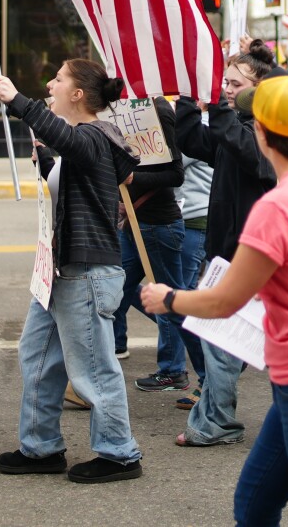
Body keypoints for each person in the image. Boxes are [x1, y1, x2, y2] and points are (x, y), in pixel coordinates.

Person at [142, 72, 288, 527]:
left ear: (262, 131)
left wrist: (168, 298)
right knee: (253, 506)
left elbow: (223, 303)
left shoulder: (275, 206)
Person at [0, 60, 143, 484]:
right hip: (59, 272)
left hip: (87, 272)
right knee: (37, 356)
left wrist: (17, 100)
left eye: (58, 79)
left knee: (93, 367)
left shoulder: (94, 135)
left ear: (78, 94)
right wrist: (44, 160)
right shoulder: (77, 143)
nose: (50, 84)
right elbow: (69, 185)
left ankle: (119, 453)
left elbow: (68, 140)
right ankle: (40, 447)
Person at [173, 42, 278, 446]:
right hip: (226, 253)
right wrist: (187, 96)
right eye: (224, 83)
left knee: (222, 340)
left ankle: (216, 421)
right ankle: (215, 418)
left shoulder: (267, 132)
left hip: (252, 256)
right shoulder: (232, 127)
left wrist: (216, 105)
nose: (228, 89)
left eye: (235, 84)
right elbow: (192, 139)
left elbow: (244, 148)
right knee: (222, 341)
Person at [112, 97, 191, 393]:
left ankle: (175, 369)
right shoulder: (121, 110)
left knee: (168, 299)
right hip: (134, 225)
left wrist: (133, 179)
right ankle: (179, 336)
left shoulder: (156, 109)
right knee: (118, 288)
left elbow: (175, 173)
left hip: (158, 226)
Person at [174, 148, 213, 409]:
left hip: (195, 221)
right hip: (181, 220)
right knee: (174, 305)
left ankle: (207, 378)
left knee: (180, 305)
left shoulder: (201, 129)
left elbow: (170, 161)